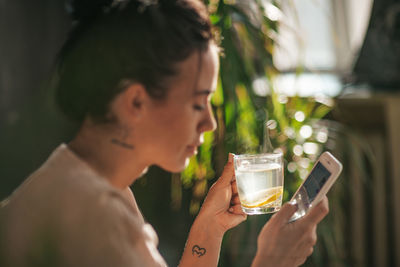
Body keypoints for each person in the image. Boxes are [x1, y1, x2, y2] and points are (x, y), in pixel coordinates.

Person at [0, 0, 329, 266]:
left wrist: (209, 229)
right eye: (198, 103)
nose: (210, 124)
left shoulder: (82, 182)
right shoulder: (96, 217)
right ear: (136, 101)